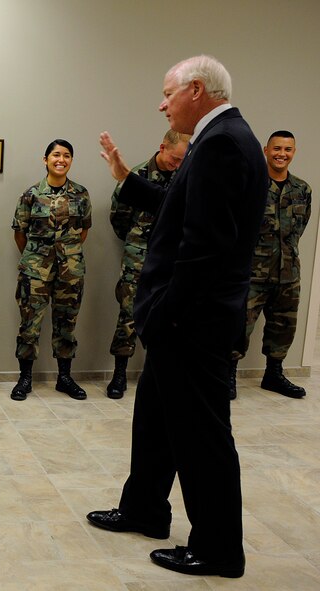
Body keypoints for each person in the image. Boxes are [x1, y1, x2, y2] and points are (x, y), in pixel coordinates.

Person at [86, 55, 267, 579]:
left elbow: (205, 247)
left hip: (193, 322)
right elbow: (181, 207)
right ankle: (145, 508)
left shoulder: (223, 143)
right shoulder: (219, 138)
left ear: (196, 90)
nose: (162, 105)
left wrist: (165, 314)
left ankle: (218, 549)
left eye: (168, 94)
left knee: (201, 436)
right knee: (156, 420)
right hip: (187, 319)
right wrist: (126, 177)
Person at [106, 130, 190, 399]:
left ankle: (158, 374)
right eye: (175, 159)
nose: (177, 164)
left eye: (183, 160)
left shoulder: (185, 178)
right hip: (138, 257)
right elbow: (119, 218)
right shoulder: (137, 176)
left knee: (170, 318)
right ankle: (120, 373)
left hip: (174, 260)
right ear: (162, 147)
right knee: (128, 315)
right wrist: (138, 243)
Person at [230, 131, 311, 399]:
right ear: (266, 150)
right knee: (239, 327)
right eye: (277, 148)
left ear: (294, 152)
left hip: (288, 274)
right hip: (252, 273)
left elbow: (300, 228)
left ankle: (273, 375)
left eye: (287, 149)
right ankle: (228, 375)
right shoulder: (248, 186)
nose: (281, 154)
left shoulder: (302, 190)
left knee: (283, 326)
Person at [11, 139, 91, 401]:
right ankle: (25, 379)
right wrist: (37, 258)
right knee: (29, 325)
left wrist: (66, 254)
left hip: (70, 270)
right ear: (45, 160)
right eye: (56, 155)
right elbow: (20, 233)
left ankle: (64, 378)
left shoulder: (81, 194)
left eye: (67, 155)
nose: (61, 160)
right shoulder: (31, 194)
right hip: (36, 271)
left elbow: (84, 231)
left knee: (66, 324)